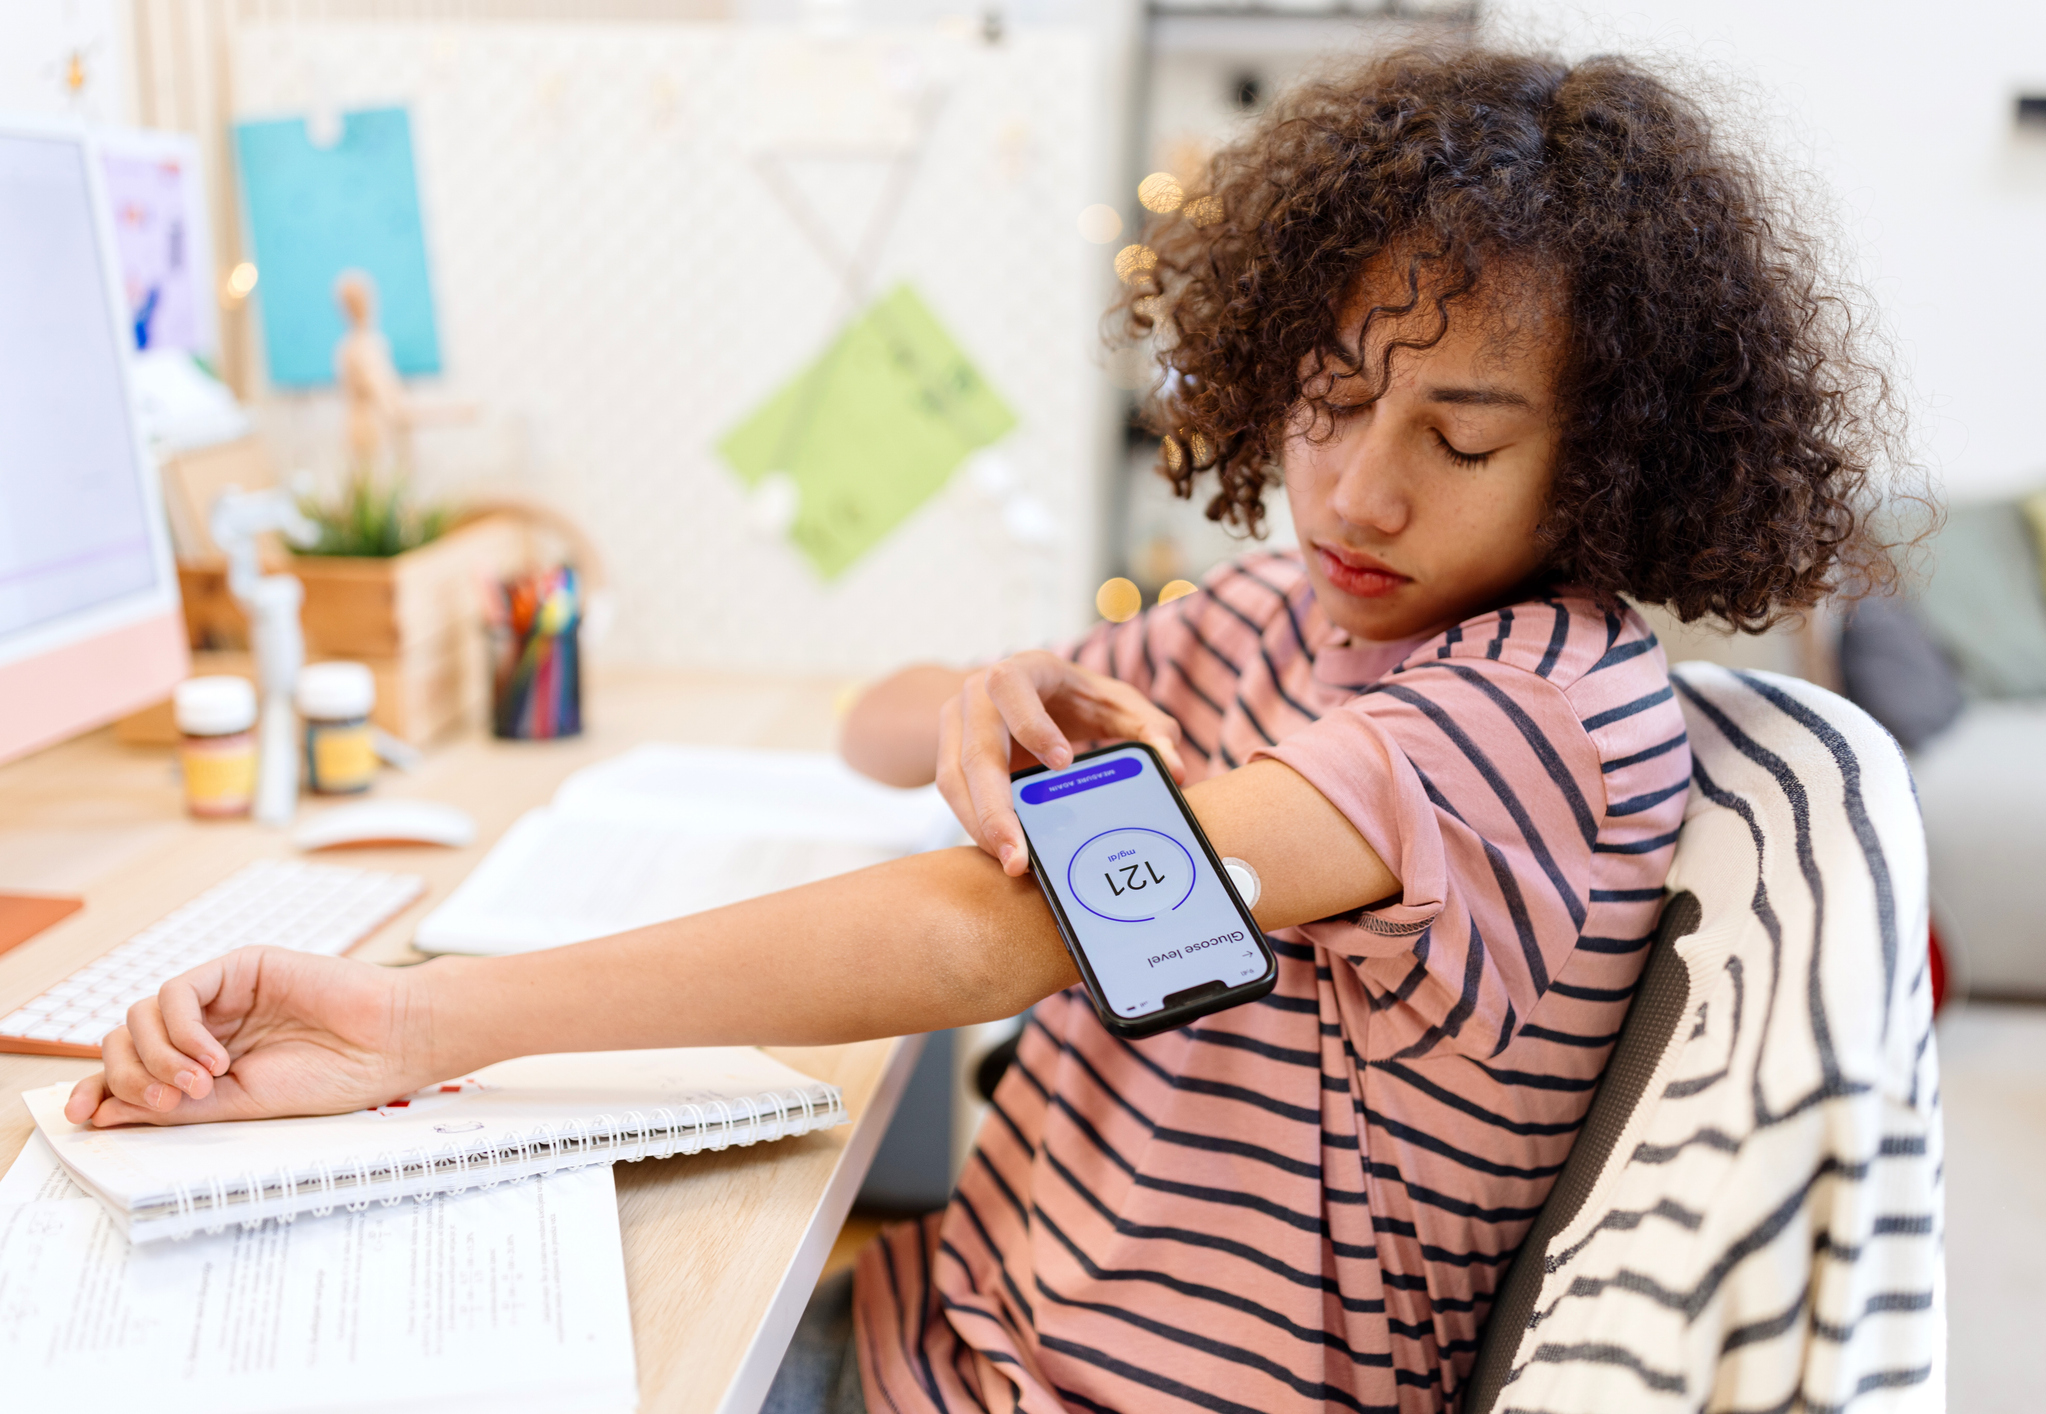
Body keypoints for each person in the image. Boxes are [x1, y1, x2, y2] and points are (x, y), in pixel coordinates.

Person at [67, 42, 1905, 1414]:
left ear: (1610, 461)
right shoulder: (1287, 618)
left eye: (1466, 439)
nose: (1359, 488)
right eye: (1331, 402)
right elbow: (876, 733)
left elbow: (1002, 923)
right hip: (956, 1326)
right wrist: (971, 697)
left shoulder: (1533, 715)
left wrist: (415, 1022)